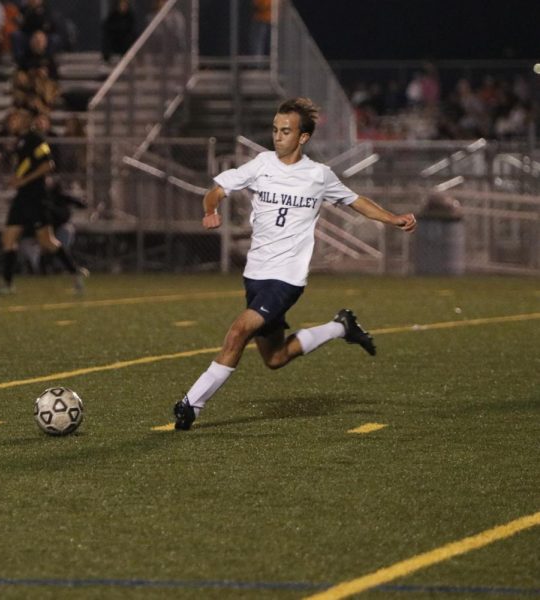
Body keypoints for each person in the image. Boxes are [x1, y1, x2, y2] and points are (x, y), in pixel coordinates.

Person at [173, 97, 417, 431]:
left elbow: (356, 201)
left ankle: (191, 405)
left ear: (303, 137)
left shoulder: (319, 175)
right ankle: (341, 326)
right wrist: (210, 209)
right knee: (274, 358)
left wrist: (393, 218)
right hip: (255, 275)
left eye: (286, 131)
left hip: (287, 279)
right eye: (275, 130)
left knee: (238, 332)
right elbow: (216, 189)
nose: (277, 136)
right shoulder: (260, 165)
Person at [0, 109, 87, 296]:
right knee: (8, 238)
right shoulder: (20, 140)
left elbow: (48, 164)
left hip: (36, 196)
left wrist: (23, 180)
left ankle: (75, 273)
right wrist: (17, 178)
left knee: (47, 241)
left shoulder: (36, 139)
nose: (11, 122)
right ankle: (7, 284)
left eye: (15, 118)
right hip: (22, 197)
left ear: (24, 120)